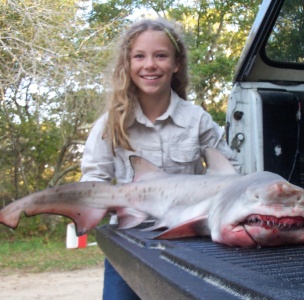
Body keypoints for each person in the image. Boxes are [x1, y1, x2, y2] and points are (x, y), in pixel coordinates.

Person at [80, 18, 239, 300]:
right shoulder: (110, 124)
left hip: (188, 242)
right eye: (139, 56)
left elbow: (230, 176)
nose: (149, 65)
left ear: (176, 64)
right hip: (129, 243)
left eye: (161, 55)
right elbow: (93, 180)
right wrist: (100, 204)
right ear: (127, 64)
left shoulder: (198, 120)